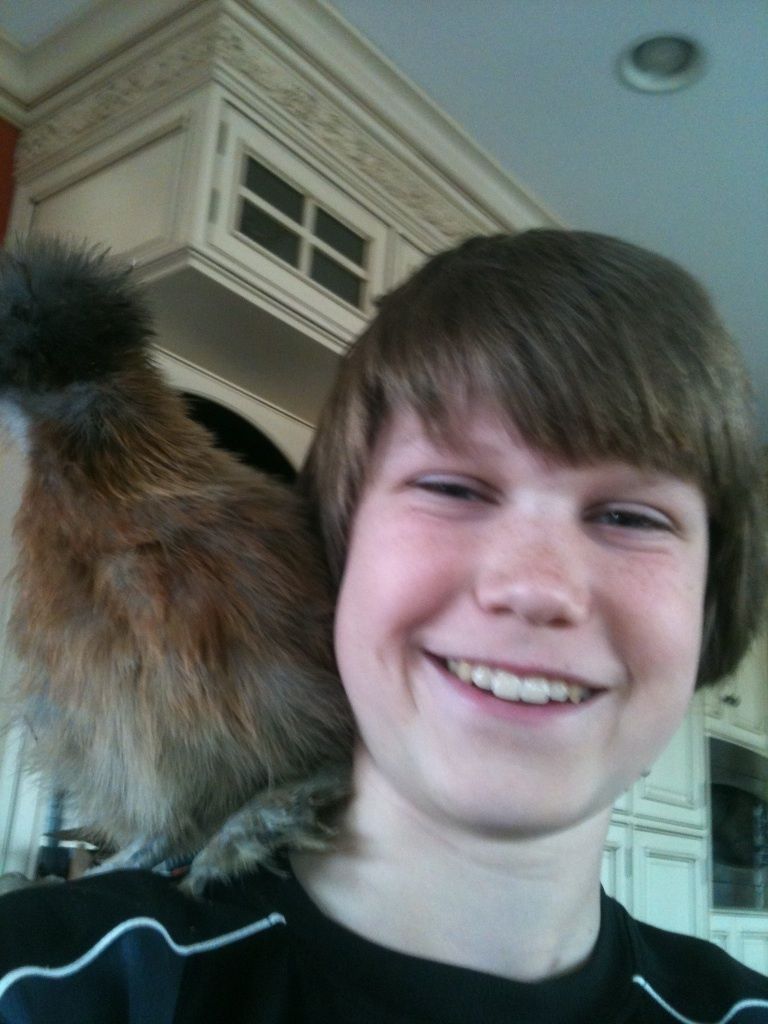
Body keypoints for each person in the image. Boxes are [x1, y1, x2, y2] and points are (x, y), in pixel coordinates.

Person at [1, 229, 767, 1022]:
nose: (535, 587)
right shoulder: (44, 985)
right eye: (452, 488)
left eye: (631, 516)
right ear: (339, 553)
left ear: (710, 602)